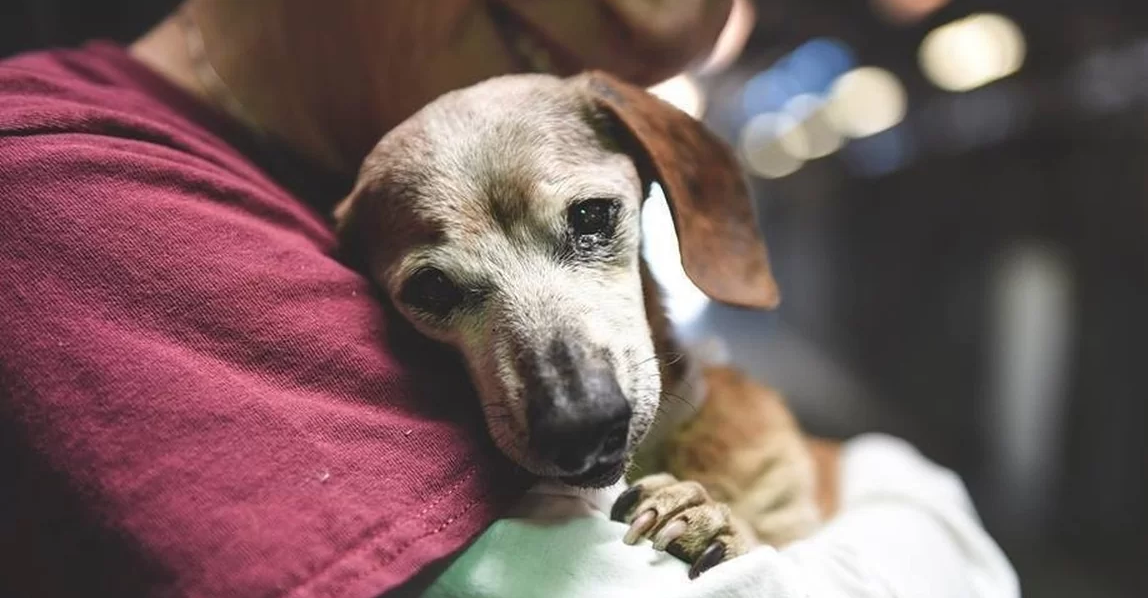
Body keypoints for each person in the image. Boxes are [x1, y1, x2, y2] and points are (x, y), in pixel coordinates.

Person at [0, 1, 1018, 596]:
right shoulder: (63, 185)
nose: (612, 68)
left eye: (588, 223)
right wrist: (919, 502)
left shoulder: (333, 184)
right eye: (439, 291)